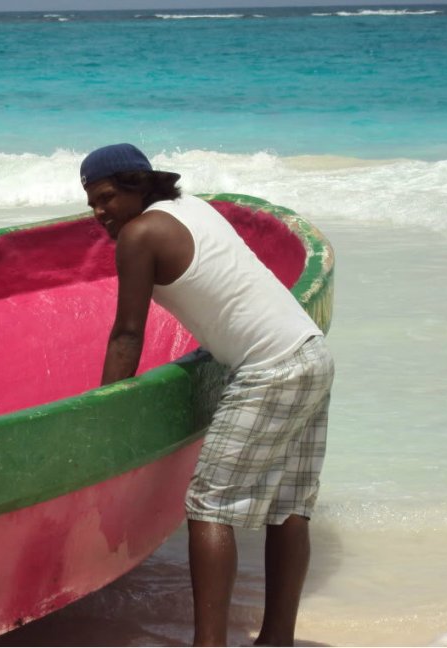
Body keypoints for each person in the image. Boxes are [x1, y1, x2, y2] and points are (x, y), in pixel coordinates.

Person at [80, 143, 334, 647]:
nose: (98, 212)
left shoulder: (139, 235)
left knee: (209, 505)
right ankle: (277, 639)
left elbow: (127, 334)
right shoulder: (193, 207)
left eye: (106, 197)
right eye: (91, 201)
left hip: (271, 368)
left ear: (138, 185)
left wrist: (103, 414)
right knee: (288, 506)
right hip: (311, 353)